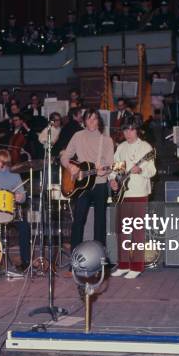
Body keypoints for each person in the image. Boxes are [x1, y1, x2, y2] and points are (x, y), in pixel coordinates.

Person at [60, 109, 115, 267]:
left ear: (99, 121)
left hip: (99, 183)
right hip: (81, 185)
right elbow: (65, 156)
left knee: (100, 222)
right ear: (84, 121)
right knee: (78, 221)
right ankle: (75, 259)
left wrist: (104, 168)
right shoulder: (78, 136)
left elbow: (111, 166)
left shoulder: (106, 140)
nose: (92, 122)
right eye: (89, 119)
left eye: (95, 119)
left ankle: (100, 260)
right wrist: (70, 166)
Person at [109, 117, 156, 278]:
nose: (128, 133)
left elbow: (152, 171)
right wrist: (113, 181)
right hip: (123, 194)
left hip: (139, 193)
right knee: (122, 231)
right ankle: (123, 265)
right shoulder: (121, 147)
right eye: (125, 130)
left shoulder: (145, 147)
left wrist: (141, 170)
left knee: (137, 231)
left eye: (131, 129)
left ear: (137, 130)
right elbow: (116, 169)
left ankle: (136, 267)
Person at [0, 150, 31, 271]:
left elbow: (23, 197)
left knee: (25, 228)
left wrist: (20, 197)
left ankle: (25, 262)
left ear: (5, 163)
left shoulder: (15, 174)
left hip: (10, 211)